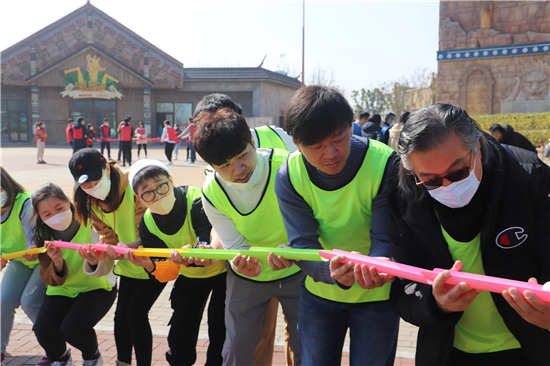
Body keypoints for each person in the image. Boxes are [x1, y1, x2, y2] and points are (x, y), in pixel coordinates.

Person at [387, 103, 550, 365]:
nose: (447, 186)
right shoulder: (407, 197)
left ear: (479, 148)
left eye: (458, 171)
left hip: (531, 348)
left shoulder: (529, 176)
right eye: (430, 179)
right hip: (447, 351)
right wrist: (435, 303)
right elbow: (402, 286)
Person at [274, 86, 399, 366]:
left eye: (339, 139)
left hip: (375, 293)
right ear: (296, 142)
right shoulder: (289, 176)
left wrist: (378, 265)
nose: (330, 153)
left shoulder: (383, 163)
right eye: (316, 147)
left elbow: (384, 238)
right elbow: (303, 244)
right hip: (320, 295)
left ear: (351, 126)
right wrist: (330, 273)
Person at [193, 92, 296, 366]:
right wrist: (242, 264)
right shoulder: (213, 190)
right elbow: (233, 243)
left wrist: (299, 246)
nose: (238, 169)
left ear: (251, 138)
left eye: (242, 156)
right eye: (224, 165)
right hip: (252, 274)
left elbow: (313, 214)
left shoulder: (288, 165)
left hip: (299, 263)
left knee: (305, 344)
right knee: (239, 348)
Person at [125, 160, 226, 366]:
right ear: (139, 198)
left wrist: (201, 250)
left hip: (223, 274)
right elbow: (168, 272)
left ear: (171, 180)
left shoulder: (197, 198)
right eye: (147, 192)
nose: (158, 194)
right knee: (181, 333)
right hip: (190, 277)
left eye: (161, 185)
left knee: (220, 328)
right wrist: (149, 265)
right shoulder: (148, 222)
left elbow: (205, 236)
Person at [69, 149, 160, 366]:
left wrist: (127, 247)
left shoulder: (135, 183)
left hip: (154, 261)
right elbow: (107, 235)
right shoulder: (89, 201)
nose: (91, 188)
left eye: (95, 180)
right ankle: (122, 362)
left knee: (136, 314)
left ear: (107, 167)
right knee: (121, 318)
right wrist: (98, 253)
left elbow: (150, 231)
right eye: (85, 185)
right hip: (129, 264)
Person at [29, 182, 117, 366]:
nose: (55, 216)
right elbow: (48, 277)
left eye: (58, 207)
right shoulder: (42, 234)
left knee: (73, 328)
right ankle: (62, 359)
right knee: (42, 329)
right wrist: (58, 263)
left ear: (68, 202)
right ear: (41, 218)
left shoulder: (92, 222)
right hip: (63, 289)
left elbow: (107, 261)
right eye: (47, 214)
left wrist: (93, 260)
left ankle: (92, 358)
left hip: (97, 287)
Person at [0, 168, 46, 366]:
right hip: (19, 261)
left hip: (43, 259)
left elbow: (32, 240)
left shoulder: (25, 202)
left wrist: (32, 248)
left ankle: (57, 350)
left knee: (30, 301)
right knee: (3, 301)